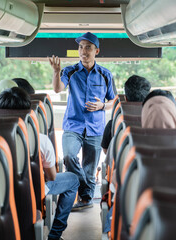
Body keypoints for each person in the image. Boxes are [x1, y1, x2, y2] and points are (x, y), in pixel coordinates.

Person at [0, 87, 79, 240]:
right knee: (73, 180)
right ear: (28, 112)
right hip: (32, 192)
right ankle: (54, 235)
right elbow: (52, 176)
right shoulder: (40, 140)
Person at [49, 32, 116, 211]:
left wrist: (102, 106)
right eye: (80, 47)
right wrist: (56, 72)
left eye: (88, 47)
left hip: (96, 127)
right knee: (69, 156)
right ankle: (86, 190)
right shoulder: (70, 71)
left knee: (89, 168)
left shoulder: (105, 74)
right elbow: (57, 88)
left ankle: (85, 199)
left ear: (96, 51)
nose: (83, 51)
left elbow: (113, 102)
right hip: (74, 124)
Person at [101, 75, 151, 154]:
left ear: (126, 98)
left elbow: (106, 150)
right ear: (148, 97)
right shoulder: (156, 120)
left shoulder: (115, 123)